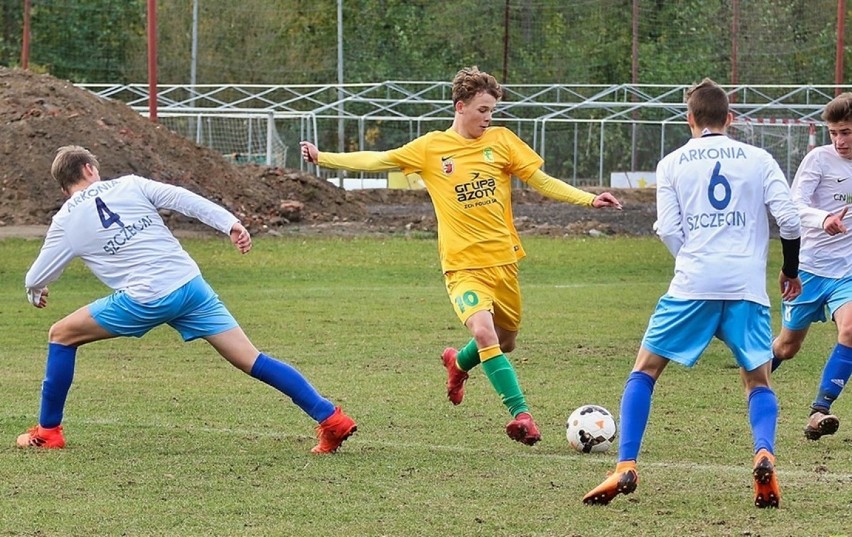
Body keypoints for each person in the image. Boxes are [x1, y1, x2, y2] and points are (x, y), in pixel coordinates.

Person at [300, 66, 622, 446]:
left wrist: (588, 198)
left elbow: (541, 181)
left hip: (503, 262)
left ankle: (458, 362)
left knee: (505, 342)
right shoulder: (431, 148)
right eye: (483, 110)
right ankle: (522, 415)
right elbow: (378, 159)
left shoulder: (502, 142)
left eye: (492, 111)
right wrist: (325, 158)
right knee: (484, 332)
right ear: (461, 106)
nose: (488, 118)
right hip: (462, 267)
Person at [17, 145, 356, 454]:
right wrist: (230, 224)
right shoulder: (130, 184)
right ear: (90, 168)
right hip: (190, 285)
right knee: (252, 359)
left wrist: (36, 291)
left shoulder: (64, 220)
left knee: (60, 335)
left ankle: (48, 432)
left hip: (146, 298)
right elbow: (182, 198)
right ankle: (331, 419)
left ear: (64, 186)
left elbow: (37, 275)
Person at [582, 78, 801, 509]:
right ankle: (763, 453)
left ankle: (626, 464)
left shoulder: (672, 163)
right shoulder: (758, 158)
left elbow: (667, 227)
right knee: (758, 381)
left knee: (644, 371)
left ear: (690, 119)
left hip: (692, 284)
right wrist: (790, 270)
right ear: (730, 119)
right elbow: (790, 222)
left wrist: (692, 262)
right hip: (746, 287)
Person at [770, 92, 852, 441]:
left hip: (847, 270)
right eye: (834, 132)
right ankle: (754, 376)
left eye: (846, 131)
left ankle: (820, 410)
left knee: (850, 330)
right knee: (788, 347)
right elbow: (793, 204)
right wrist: (823, 220)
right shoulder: (818, 160)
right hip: (810, 269)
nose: (840, 140)